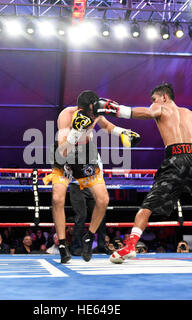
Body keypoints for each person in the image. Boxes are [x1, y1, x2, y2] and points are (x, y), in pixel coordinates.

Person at [93, 83, 192, 263]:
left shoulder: (160, 107)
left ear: (164, 97)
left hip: (175, 160)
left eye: (154, 99)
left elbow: (146, 113)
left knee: (147, 206)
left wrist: (114, 109)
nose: (152, 103)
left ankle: (130, 247)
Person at [43, 90, 140, 263]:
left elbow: (107, 126)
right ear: (88, 107)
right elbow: (63, 151)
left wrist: (123, 132)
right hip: (63, 153)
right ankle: (63, 245)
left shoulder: (96, 113)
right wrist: (76, 131)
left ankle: (89, 237)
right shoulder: (66, 115)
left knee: (103, 200)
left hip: (86, 155)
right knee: (58, 199)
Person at [69, 182, 108, 256]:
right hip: (77, 184)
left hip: (93, 184)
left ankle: (102, 246)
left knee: (100, 214)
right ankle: (76, 247)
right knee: (81, 216)